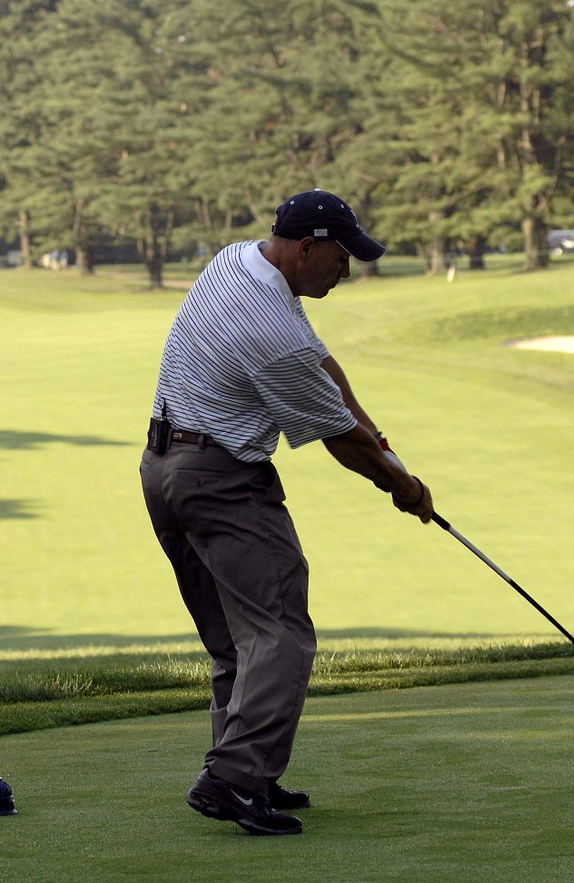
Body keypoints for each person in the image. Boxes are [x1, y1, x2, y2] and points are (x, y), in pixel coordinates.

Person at [139, 189, 434, 837]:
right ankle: (232, 779)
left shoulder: (238, 260)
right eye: (342, 256)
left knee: (236, 641)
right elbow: (341, 440)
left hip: (163, 470)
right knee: (281, 634)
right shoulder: (270, 331)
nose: (348, 270)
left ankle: (252, 776)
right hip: (221, 481)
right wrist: (403, 487)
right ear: (307, 249)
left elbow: (323, 366)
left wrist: (381, 437)